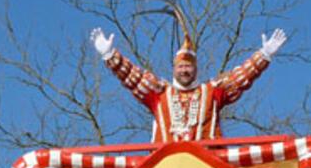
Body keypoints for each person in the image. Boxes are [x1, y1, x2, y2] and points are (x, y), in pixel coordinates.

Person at [90, 15, 285, 143]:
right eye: (181, 67)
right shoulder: (159, 93)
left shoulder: (212, 92)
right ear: (174, 69)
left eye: (188, 67)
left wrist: (264, 54)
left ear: (196, 69)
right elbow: (132, 76)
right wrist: (110, 55)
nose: (184, 71)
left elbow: (241, 77)